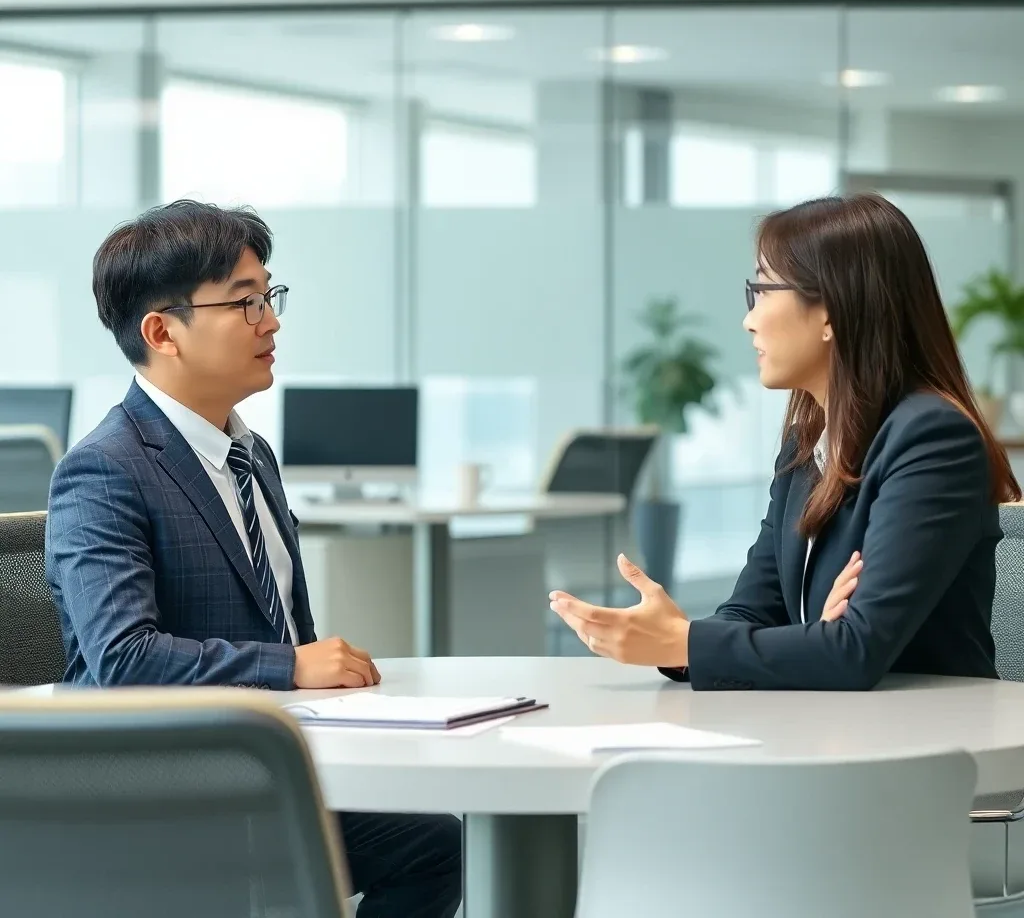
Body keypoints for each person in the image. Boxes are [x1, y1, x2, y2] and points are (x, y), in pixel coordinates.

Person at [45, 200, 461, 918]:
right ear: (161, 332)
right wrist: (292, 666)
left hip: (260, 766)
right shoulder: (105, 470)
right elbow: (122, 658)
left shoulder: (250, 455)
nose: (271, 321)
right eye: (245, 303)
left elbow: (282, 628)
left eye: (269, 296)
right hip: (161, 794)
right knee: (426, 844)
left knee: (432, 842)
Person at [550, 193, 1020, 691]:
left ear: (830, 313)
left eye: (762, 291)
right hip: (831, 731)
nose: (748, 319)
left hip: (933, 743)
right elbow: (756, 606)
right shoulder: (807, 441)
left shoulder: (933, 438)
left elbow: (855, 650)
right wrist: (684, 644)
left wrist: (688, 642)